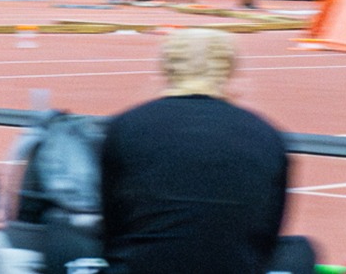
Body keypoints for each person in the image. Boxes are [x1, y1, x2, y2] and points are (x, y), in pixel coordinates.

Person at [99, 29, 289, 274]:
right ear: (228, 70)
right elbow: (268, 231)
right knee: (298, 250)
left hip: (139, 267)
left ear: (167, 69)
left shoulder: (126, 125)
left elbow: (112, 223)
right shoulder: (266, 133)